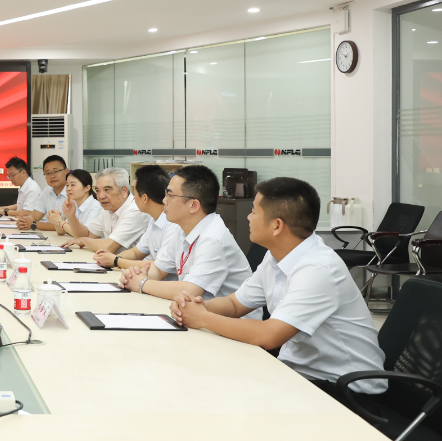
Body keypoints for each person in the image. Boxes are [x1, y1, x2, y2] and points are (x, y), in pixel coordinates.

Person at [171, 177, 387, 395]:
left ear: (276, 225)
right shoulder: (275, 257)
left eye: (254, 211)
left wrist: (202, 318)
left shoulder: (317, 268)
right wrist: (194, 306)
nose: (248, 216)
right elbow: (235, 304)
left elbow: (268, 335)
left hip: (346, 390)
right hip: (299, 373)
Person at [118, 166, 255, 314]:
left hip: (230, 326)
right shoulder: (181, 229)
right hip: (196, 315)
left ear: (193, 205)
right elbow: (158, 270)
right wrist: (133, 275)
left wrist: (142, 283)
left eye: (170, 195)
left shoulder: (213, 238)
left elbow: (190, 290)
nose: (164, 200)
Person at [93, 165, 172, 270]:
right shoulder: (154, 221)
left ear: (144, 198)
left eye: (135, 194)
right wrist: (112, 258)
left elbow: (159, 267)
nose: (133, 199)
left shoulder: (173, 224)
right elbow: (136, 252)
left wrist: (116, 261)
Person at [61, 167, 147, 252]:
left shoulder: (135, 210)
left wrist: (83, 240)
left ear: (124, 191)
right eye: (98, 190)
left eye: (107, 190)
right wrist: (71, 216)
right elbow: (88, 234)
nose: (101, 196)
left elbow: (109, 246)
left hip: (136, 265)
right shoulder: (108, 209)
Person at [16, 155, 69, 231]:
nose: (52, 176)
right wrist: (24, 221)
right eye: (48, 173)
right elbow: (34, 216)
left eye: (56, 171)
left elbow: (64, 225)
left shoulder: (73, 192)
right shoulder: (47, 191)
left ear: (66, 171)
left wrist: (33, 224)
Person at [46, 169, 102, 237]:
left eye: (73, 185)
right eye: (67, 185)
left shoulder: (95, 207)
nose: (68, 189)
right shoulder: (74, 204)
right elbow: (61, 231)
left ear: (87, 188)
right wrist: (57, 218)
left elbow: (84, 236)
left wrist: (60, 221)